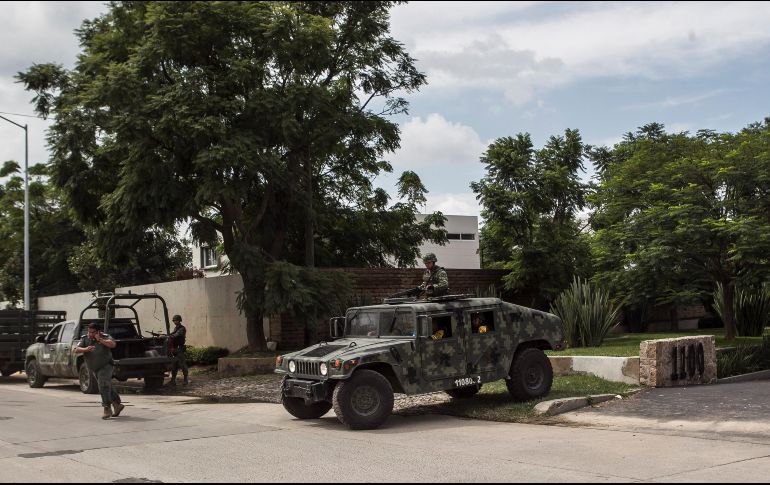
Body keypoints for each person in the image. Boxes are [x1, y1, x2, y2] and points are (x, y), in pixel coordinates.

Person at [75, 323, 124, 419]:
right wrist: (85, 349)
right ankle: (117, 404)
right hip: (94, 368)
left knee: (103, 385)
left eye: (92, 332)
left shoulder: (105, 337)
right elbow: (76, 349)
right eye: (89, 331)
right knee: (106, 385)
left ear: (98, 332)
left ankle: (106, 407)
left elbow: (113, 344)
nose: (90, 334)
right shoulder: (85, 338)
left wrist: (100, 340)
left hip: (106, 365)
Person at [168, 314, 189, 387]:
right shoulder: (176, 328)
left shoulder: (182, 328)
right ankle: (173, 381)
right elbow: (172, 334)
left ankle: (186, 380)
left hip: (180, 349)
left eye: (176, 320)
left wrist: (167, 336)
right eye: (174, 320)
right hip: (175, 349)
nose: (175, 321)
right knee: (174, 365)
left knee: (182, 365)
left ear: (179, 320)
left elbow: (175, 335)